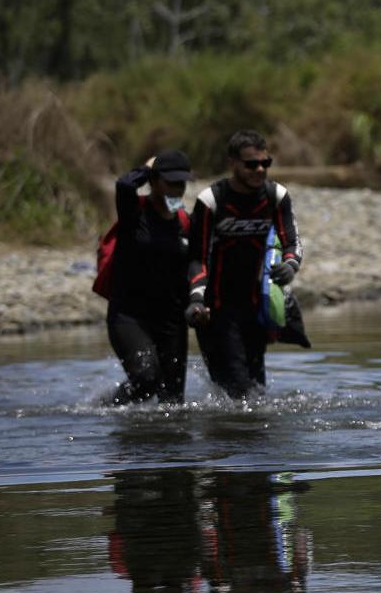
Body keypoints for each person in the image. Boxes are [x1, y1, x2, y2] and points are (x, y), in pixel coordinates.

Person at [185, 130, 301, 399]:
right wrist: (196, 299)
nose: (260, 170)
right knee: (237, 389)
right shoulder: (211, 201)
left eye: (265, 163)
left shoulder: (276, 196)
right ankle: (229, 438)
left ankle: (243, 438)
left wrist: (291, 264)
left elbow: (292, 242)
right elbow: (196, 257)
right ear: (232, 164)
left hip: (254, 306)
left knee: (256, 389)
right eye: (251, 164)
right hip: (213, 309)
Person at [106, 151, 194, 404]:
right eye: (170, 182)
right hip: (129, 316)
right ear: (154, 182)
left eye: (182, 183)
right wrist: (147, 168)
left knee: (173, 402)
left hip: (172, 320)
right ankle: (108, 408)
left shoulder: (185, 222)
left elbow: (196, 265)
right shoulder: (134, 215)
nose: (177, 189)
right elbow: (124, 184)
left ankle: (163, 442)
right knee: (146, 378)